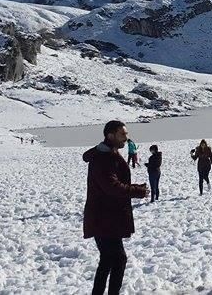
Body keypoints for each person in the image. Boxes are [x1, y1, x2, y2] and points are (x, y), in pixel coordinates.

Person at [83, 120, 148, 295]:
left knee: (108, 260)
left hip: (106, 218)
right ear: (110, 135)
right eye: (122, 134)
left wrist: (136, 187)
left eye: (126, 134)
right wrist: (137, 191)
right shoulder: (104, 158)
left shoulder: (108, 153)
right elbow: (111, 187)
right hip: (104, 219)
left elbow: (114, 184)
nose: (126, 138)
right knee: (118, 259)